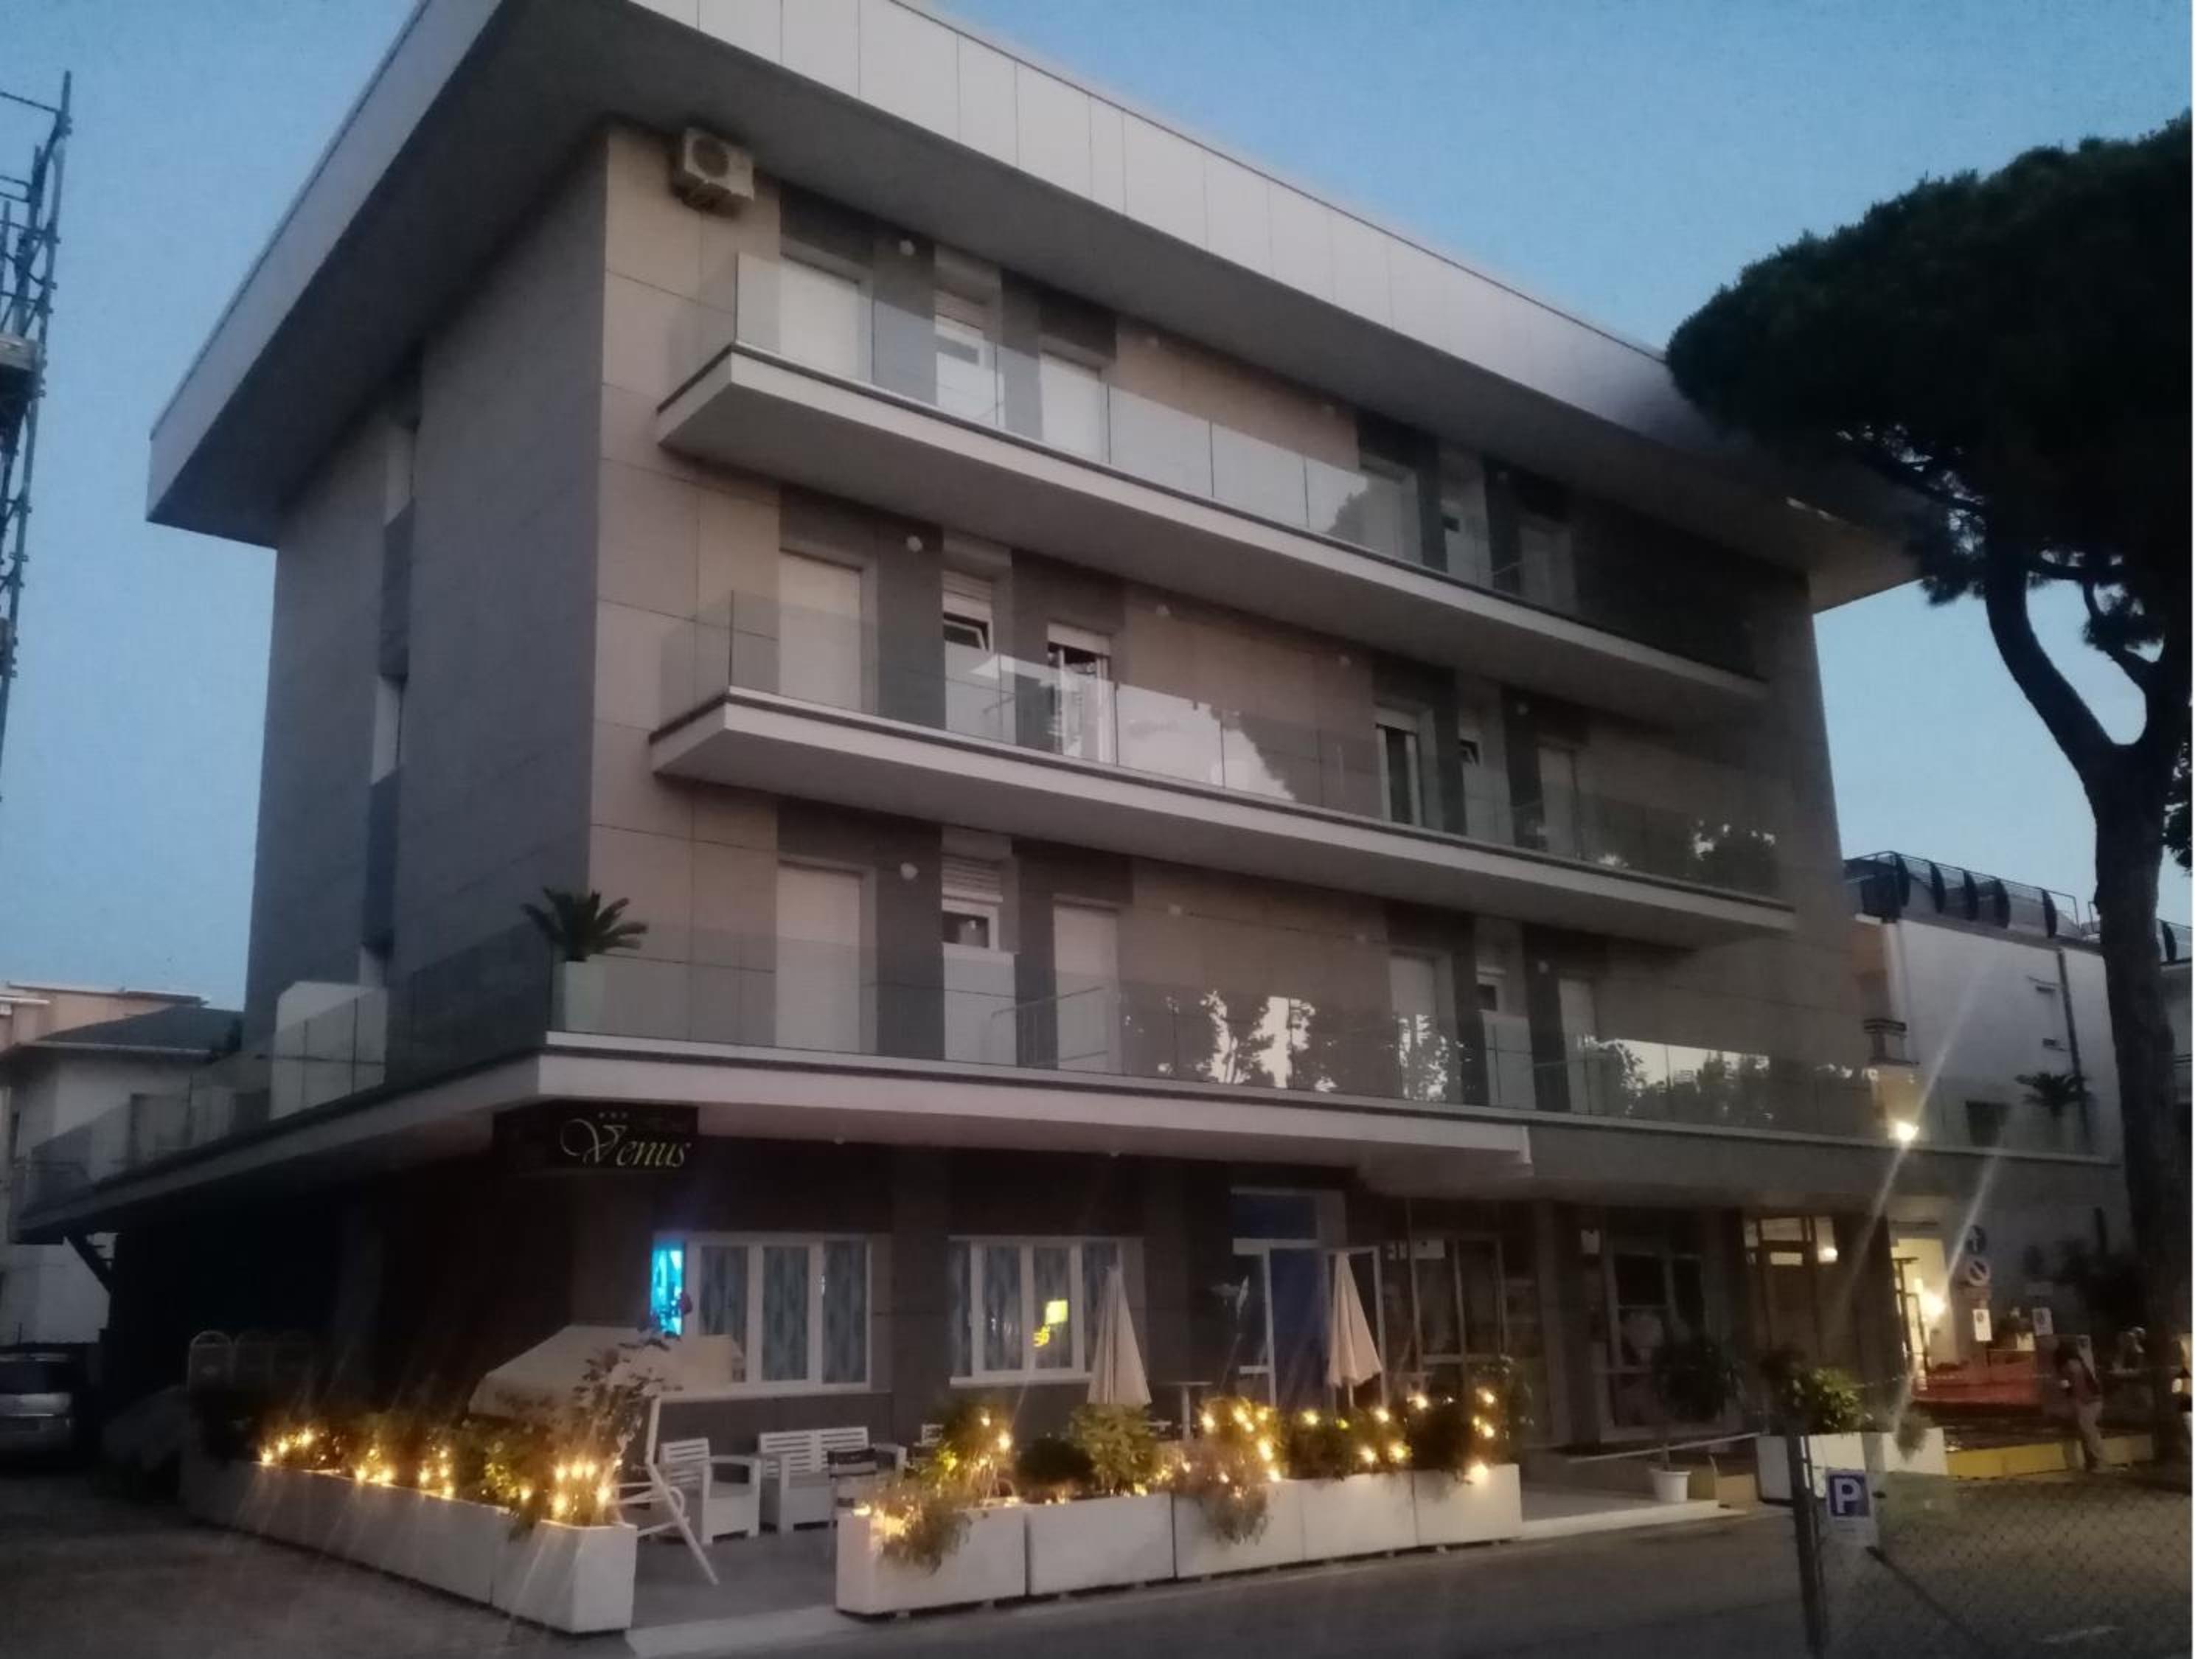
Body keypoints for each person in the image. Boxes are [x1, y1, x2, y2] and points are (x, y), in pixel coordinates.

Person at [2056, 1335, 2106, 1471]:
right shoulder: (2076, 1363)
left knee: (2089, 1433)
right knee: (2088, 1433)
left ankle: (2100, 1462)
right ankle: (2094, 1463)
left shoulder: (2069, 1365)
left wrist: (2077, 1400)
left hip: (2086, 1401)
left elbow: (2074, 1385)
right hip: (2090, 1400)